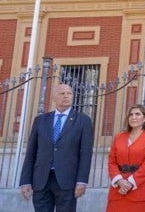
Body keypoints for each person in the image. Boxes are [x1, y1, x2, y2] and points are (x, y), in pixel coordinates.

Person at [19, 84, 94, 212]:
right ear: (54, 97)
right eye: (62, 93)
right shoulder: (40, 120)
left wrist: (82, 181)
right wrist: (25, 181)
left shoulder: (83, 120)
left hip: (67, 181)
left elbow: (85, 153)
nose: (66, 96)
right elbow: (31, 152)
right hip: (41, 180)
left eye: (69, 93)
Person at [106, 104, 145, 212]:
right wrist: (120, 181)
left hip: (139, 189)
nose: (133, 117)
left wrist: (130, 183)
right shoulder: (118, 137)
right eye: (131, 114)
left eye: (137, 114)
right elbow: (112, 161)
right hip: (118, 190)